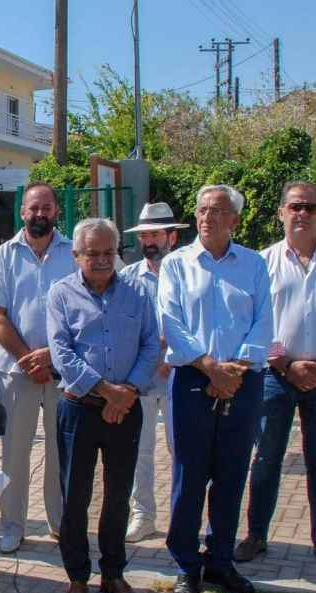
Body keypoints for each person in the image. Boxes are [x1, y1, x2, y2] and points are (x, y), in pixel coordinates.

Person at [235, 182, 316, 572]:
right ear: (281, 213)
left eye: (309, 207)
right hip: (275, 376)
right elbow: (253, 319)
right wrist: (286, 364)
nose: (302, 214)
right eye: (294, 207)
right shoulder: (263, 262)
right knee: (266, 458)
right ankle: (256, 535)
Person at [157, 184, 272, 593]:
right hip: (192, 380)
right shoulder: (176, 264)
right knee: (190, 475)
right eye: (203, 209)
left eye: (218, 211)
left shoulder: (255, 265)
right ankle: (187, 565)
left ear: (235, 220)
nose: (207, 217)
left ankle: (220, 559)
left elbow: (263, 322)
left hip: (243, 382)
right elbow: (170, 319)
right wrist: (209, 367)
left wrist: (235, 372)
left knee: (231, 473)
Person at [48, 218, 159, 593]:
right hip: (79, 409)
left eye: (107, 253)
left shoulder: (138, 293)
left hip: (126, 409)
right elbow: (61, 352)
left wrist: (125, 393)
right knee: (74, 497)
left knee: (117, 497)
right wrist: (104, 390)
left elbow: (151, 346)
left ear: (117, 253)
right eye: (92, 253)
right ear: (77, 255)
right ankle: (77, 578)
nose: (100, 260)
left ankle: (113, 574)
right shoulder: (60, 294)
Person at [0, 181, 76, 553]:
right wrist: (27, 358)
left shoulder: (73, 252)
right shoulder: (3, 255)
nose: (40, 214)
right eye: (33, 208)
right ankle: (13, 526)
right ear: (23, 212)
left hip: (64, 369)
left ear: (56, 211)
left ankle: (60, 523)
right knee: (13, 455)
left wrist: (52, 355)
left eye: (46, 208)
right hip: (17, 372)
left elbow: (84, 313)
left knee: (61, 453)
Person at [119, 202, 187, 543]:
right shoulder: (128, 278)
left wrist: (171, 356)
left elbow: (196, 325)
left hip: (182, 377)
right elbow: (123, 329)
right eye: (144, 234)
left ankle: (182, 518)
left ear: (171, 237)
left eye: (155, 234)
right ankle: (142, 515)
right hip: (142, 380)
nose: (149, 241)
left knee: (183, 451)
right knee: (140, 451)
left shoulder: (189, 273)